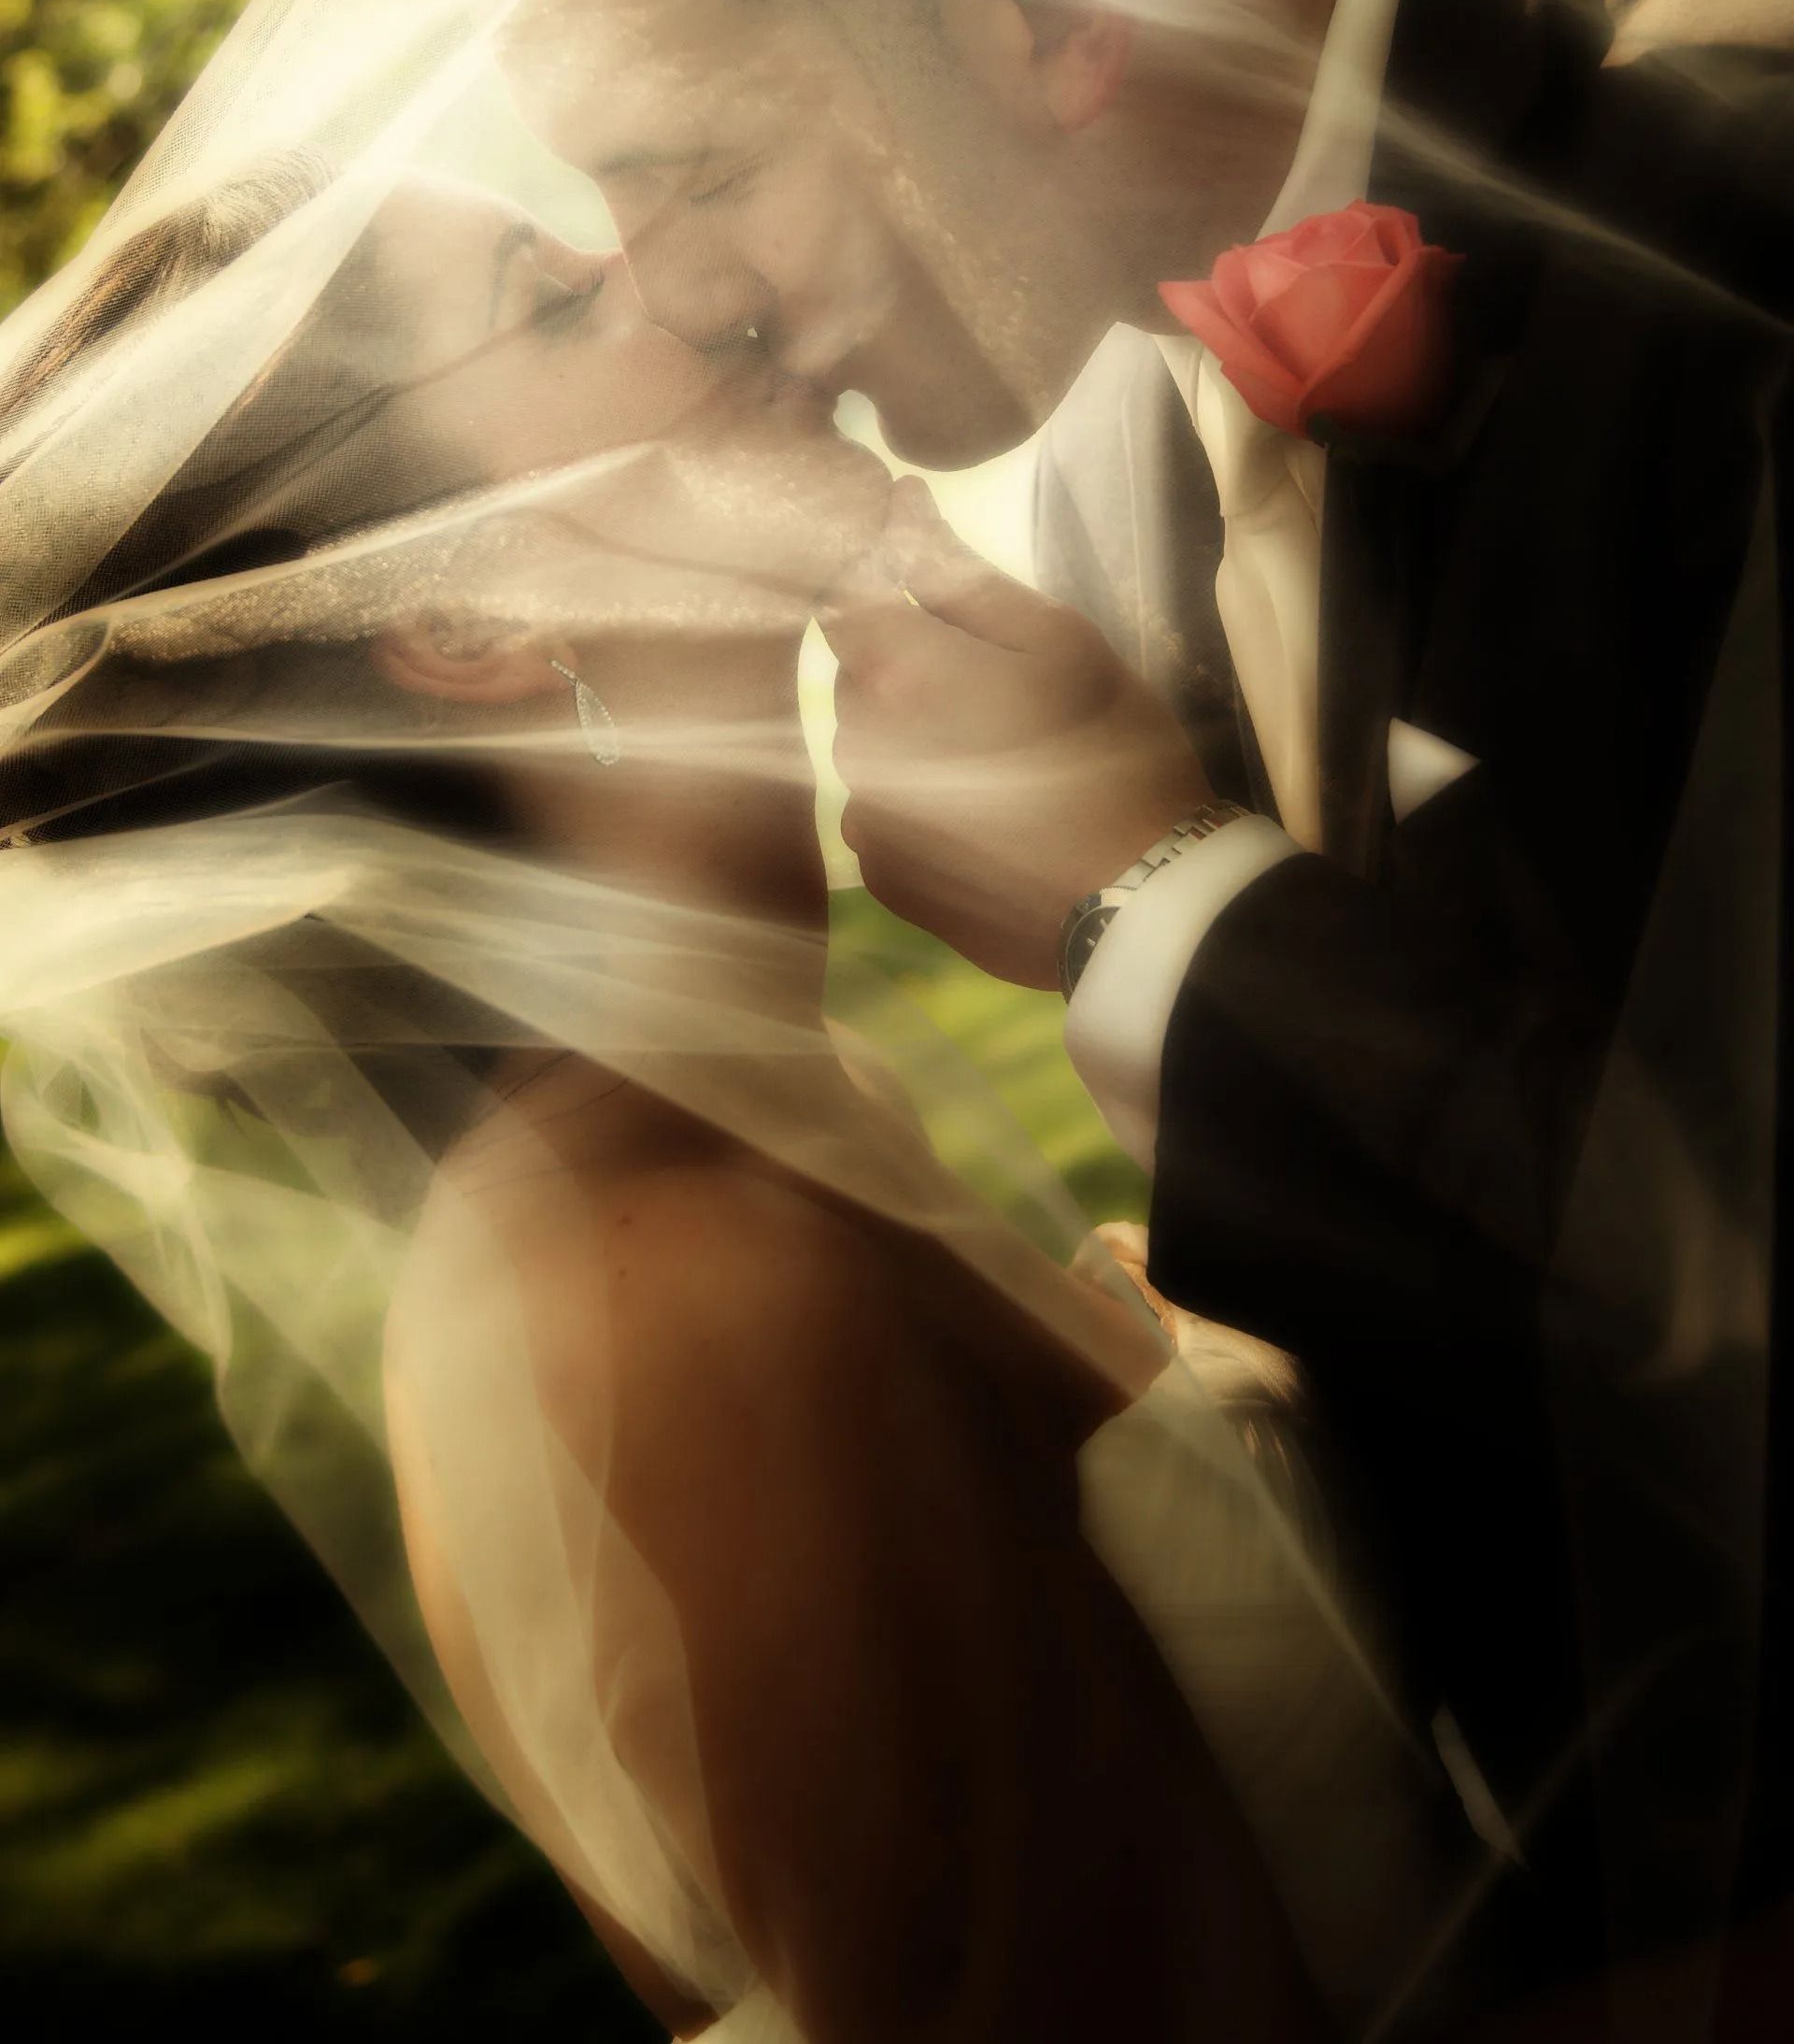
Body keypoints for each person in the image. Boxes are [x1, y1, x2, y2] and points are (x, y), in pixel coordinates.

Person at [464, 0, 1793, 2027]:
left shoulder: (1743, 183)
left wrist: (1167, 911)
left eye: (694, 165)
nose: (677, 295)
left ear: (1052, 12)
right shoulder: (1089, 380)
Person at [0, 163, 1470, 2042]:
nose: (707, 288)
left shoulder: (761, 1104)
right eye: (555, 303)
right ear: (466, 624)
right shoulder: (665, 1297)